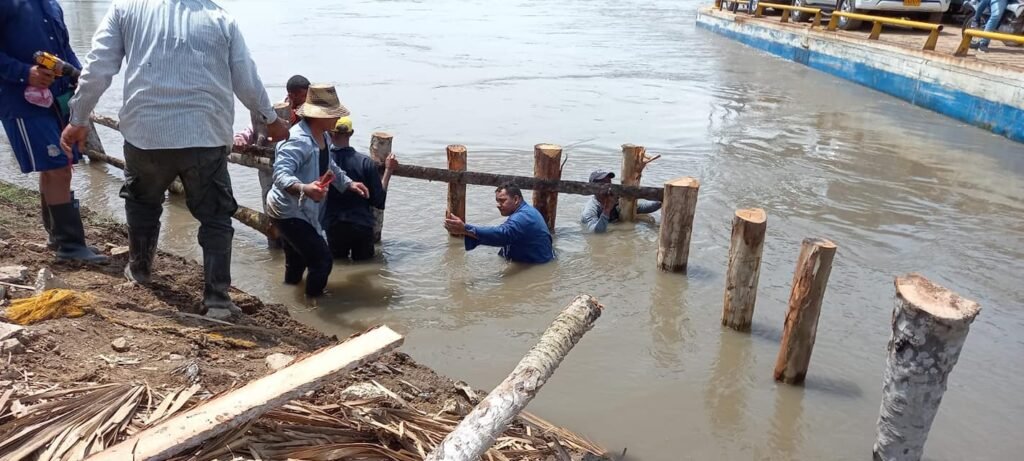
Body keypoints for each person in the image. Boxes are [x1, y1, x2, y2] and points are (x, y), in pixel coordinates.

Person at [60, 0, 290, 319]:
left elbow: (98, 67)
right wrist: (272, 119)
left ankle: (139, 272)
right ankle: (218, 300)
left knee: (143, 204)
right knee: (215, 216)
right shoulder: (220, 19)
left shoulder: (126, 9)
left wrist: (79, 117)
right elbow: (246, 78)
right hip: (205, 136)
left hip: (145, 134)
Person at [0, 0, 106, 263]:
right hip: (22, 101)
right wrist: (25, 72)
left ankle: (58, 235)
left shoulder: (50, 4)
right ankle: (70, 246)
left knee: (59, 165)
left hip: (56, 99)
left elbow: (62, 47)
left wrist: (77, 72)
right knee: (57, 166)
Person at [265, 84, 369, 299]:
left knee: (296, 259)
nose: (336, 119)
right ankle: (314, 306)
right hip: (288, 210)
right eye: (333, 115)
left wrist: (349, 183)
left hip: (300, 209)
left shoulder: (324, 136)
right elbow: (280, 174)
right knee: (322, 260)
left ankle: (287, 298)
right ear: (318, 116)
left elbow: (329, 166)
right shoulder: (297, 140)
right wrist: (304, 188)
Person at [234, 74, 310, 249]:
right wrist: (240, 139)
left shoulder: (310, 112)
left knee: (301, 213)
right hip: (270, 172)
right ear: (290, 95)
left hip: (299, 173)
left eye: (306, 96)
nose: (302, 101)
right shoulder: (273, 111)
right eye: (299, 96)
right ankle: (275, 249)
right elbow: (252, 129)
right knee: (272, 208)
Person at [321, 116, 398, 261]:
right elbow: (378, 201)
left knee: (337, 265)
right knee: (364, 268)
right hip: (361, 224)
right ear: (351, 133)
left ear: (330, 133)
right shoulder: (365, 163)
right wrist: (388, 170)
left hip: (334, 225)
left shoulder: (323, 161)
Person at [443, 184, 554, 264]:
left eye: (502, 200)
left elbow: (503, 234)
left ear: (516, 199)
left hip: (537, 264)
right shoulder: (526, 211)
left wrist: (465, 229)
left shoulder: (523, 217)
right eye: (497, 201)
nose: (498, 205)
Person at [581, 171, 661, 233]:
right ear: (593, 188)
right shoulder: (590, 209)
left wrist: (661, 201)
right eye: (604, 184)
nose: (608, 186)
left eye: (609, 182)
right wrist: (607, 210)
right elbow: (596, 232)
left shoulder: (616, 200)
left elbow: (641, 208)